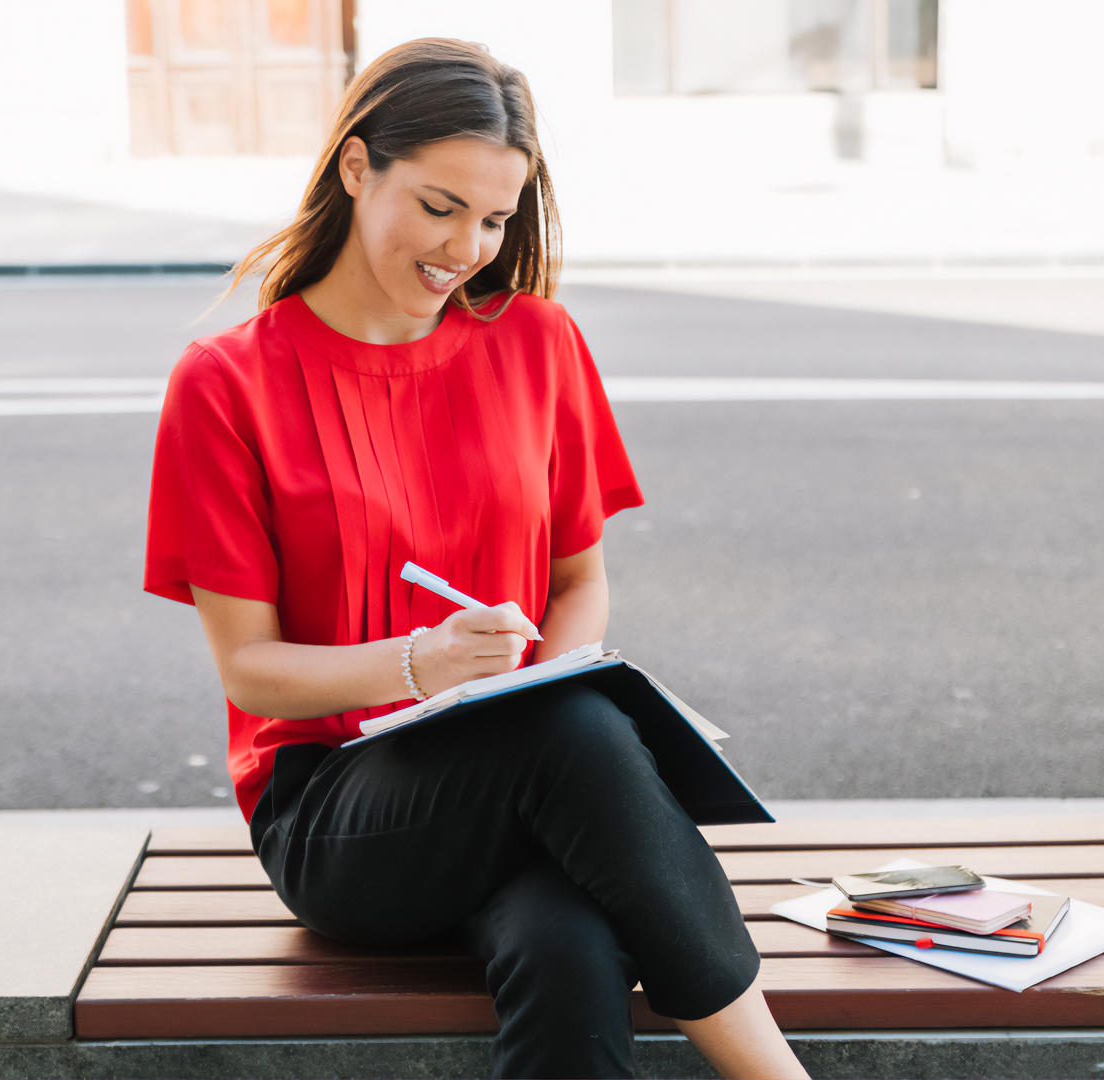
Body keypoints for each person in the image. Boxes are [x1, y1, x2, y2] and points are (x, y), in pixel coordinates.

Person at [141, 36, 811, 1080]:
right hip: (335, 809)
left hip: (526, 770)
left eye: (495, 219)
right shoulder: (225, 384)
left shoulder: (540, 343)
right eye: (440, 206)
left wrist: (538, 678)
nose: (467, 247)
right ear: (358, 168)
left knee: (570, 942)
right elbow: (252, 672)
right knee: (577, 736)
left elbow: (579, 581)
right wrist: (425, 665)